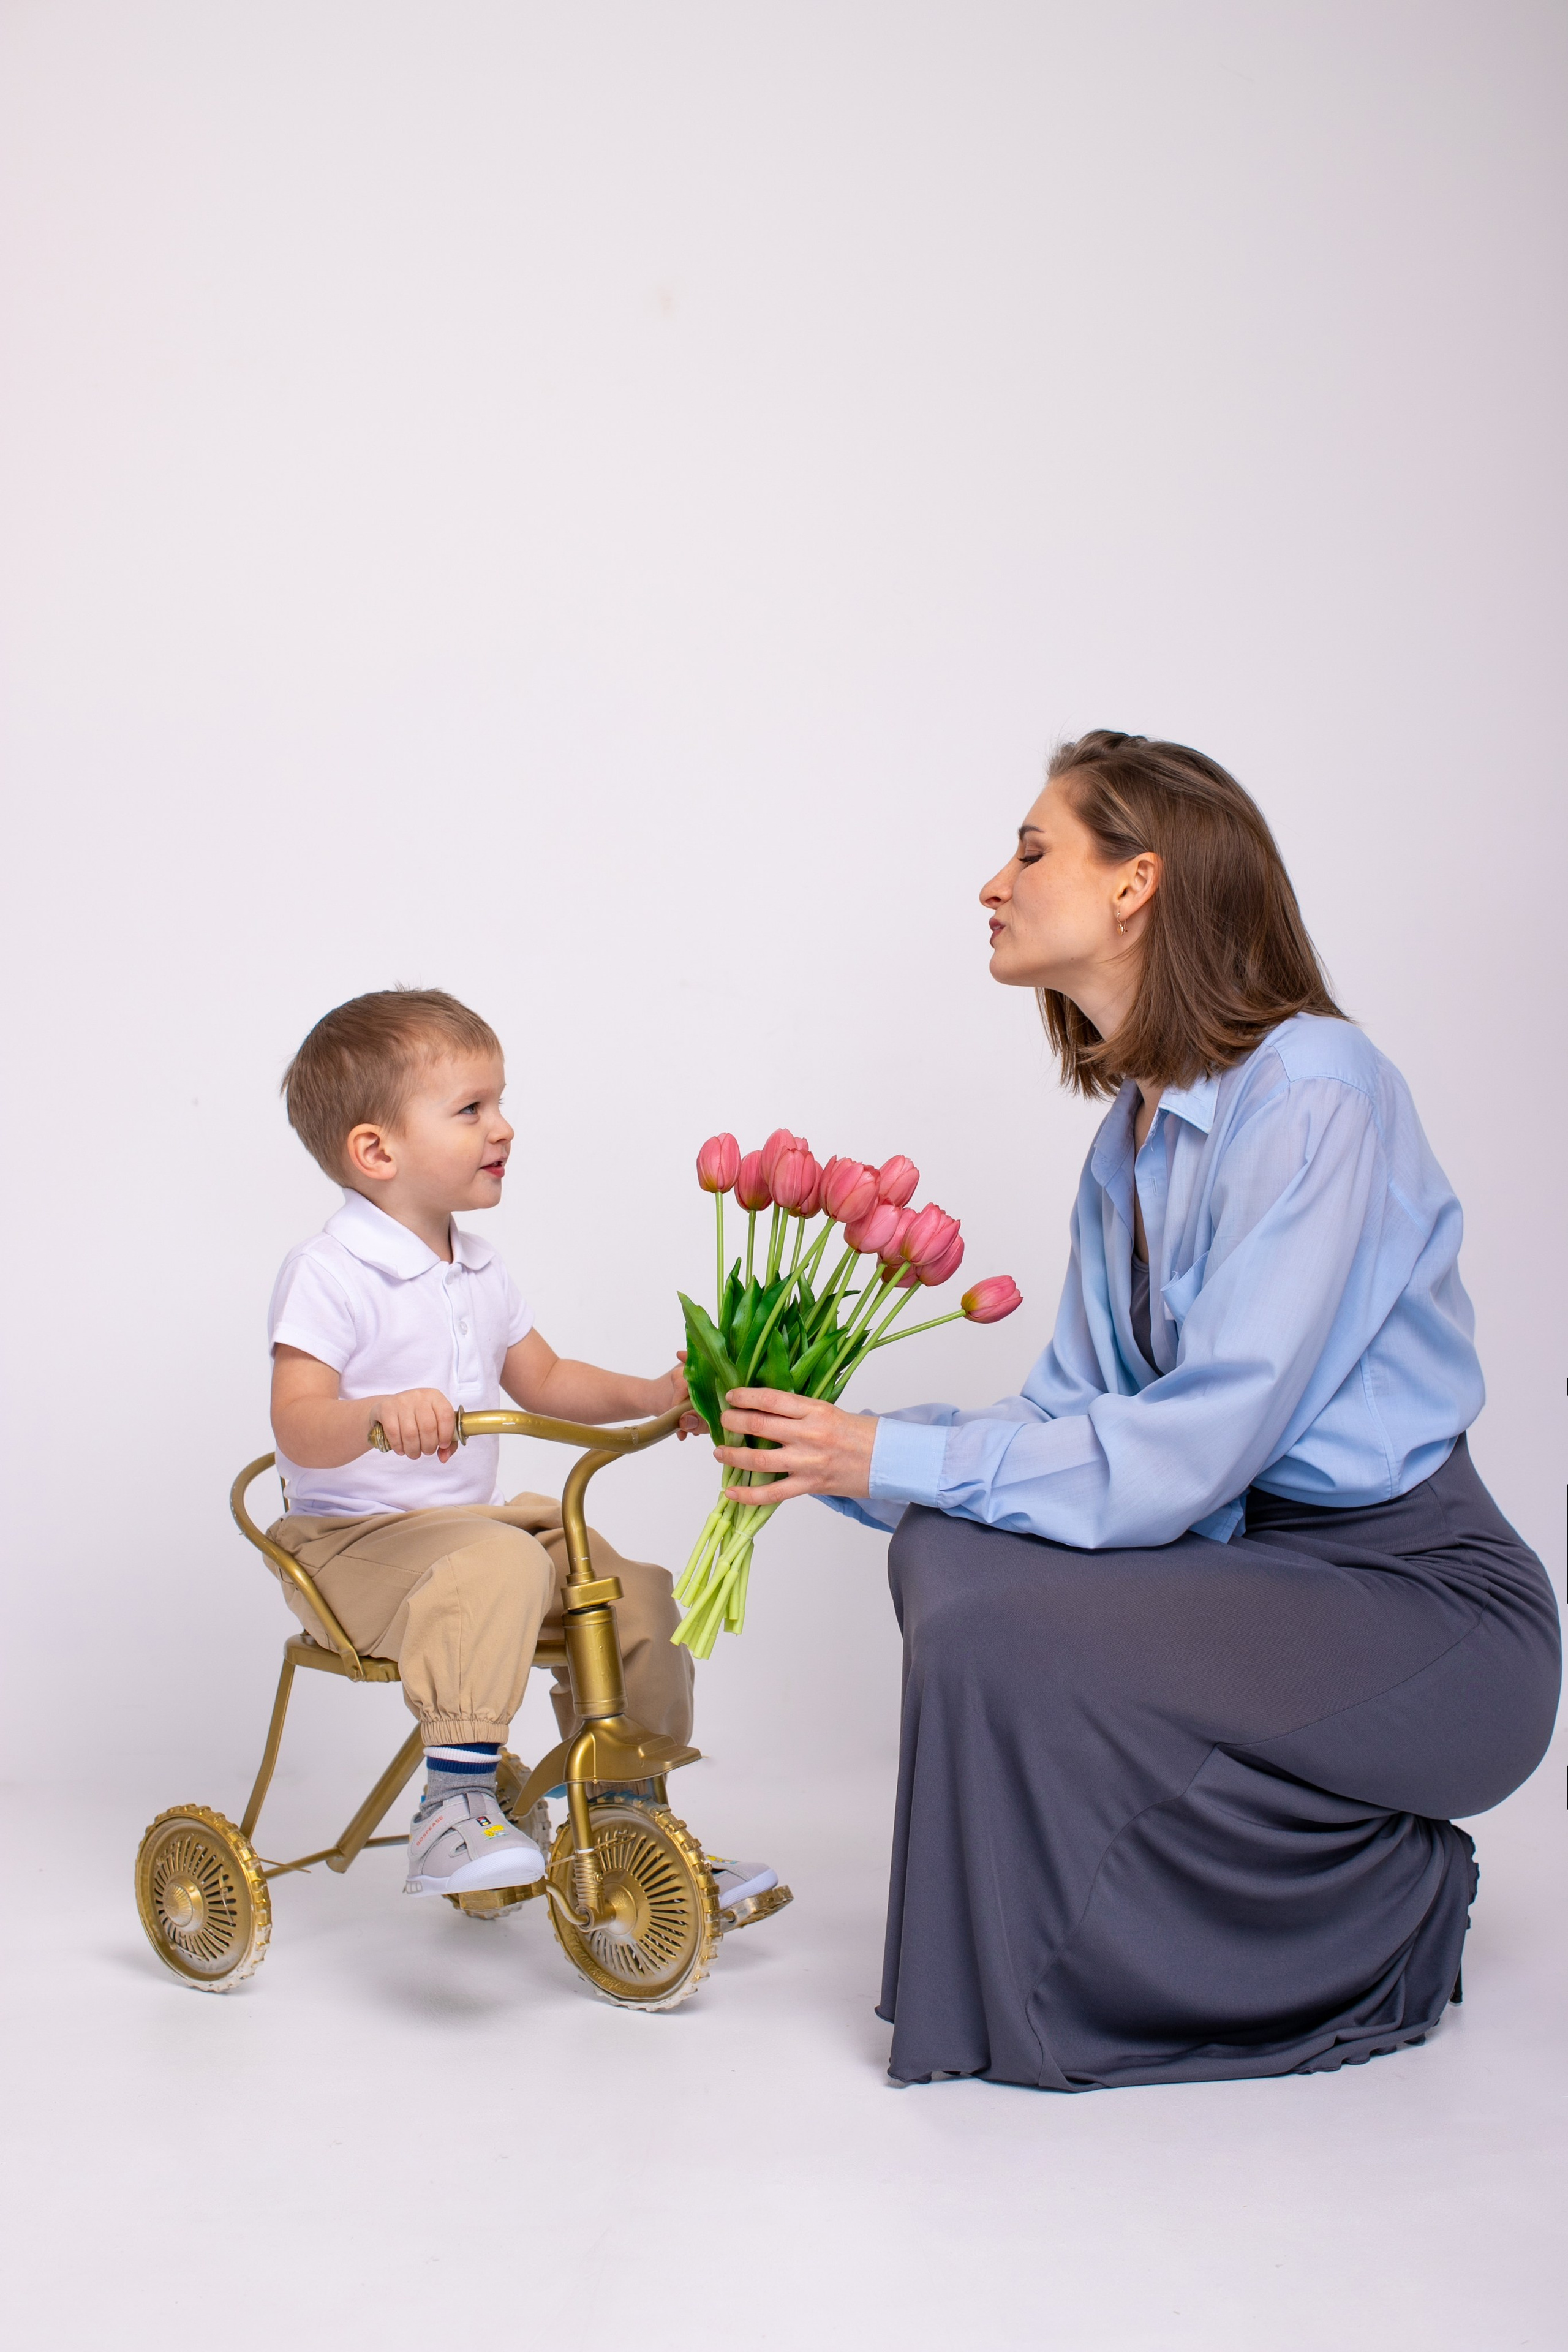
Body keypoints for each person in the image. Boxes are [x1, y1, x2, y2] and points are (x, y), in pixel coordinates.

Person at [714, 731, 1560, 2090]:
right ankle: (1100, 1969)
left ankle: (1376, 1911)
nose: (991, 884)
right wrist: (836, 1451)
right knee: (946, 1550)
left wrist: (890, 1454)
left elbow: (1191, 1453)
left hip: (1422, 1611)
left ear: (1134, 884)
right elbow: (1070, 1421)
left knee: (980, 1583)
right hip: (1257, 1580)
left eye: (1031, 850)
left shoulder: (1317, 1092)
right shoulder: (1129, 1142)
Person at [266, 986, 775, 1912]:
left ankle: (627, 1819)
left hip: (468, 1531)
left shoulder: (480, 1264)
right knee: (497, 1559)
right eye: (471, 1110)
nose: (503, 1127)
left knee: (636, 1591)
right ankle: (452, 1806)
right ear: (376, 1150)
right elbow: (296, 1422)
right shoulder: (330, 1271)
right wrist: (379, 1413)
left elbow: (543, 1379)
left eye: (499, 1102)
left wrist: (659, 1396)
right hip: (350, 1547)